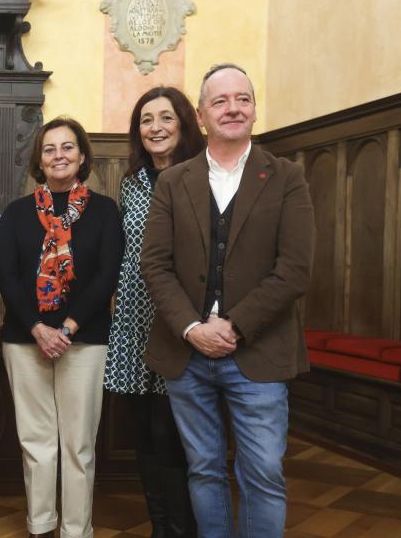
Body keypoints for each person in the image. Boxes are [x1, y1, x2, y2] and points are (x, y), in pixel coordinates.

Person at [140, 64, 314, 538]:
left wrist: (234, 327)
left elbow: (294, 270)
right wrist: (194, 328)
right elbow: (155, 265)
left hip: (259, 352)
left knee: (263, 475)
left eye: (242, 98)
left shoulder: (287, 177)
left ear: (255, 109)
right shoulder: (174, 181)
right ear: (200, 115)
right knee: (203, 471)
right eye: (220, 101)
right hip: (187, 354)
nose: (233, 108)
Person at [0, 115, 124, 538]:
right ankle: (41, 524)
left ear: (82, 156)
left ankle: (75, 529)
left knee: (78, 446)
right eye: (49, 149)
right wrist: (37, 327)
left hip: (84, 340)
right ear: (40, 160)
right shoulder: (17, 213)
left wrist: (65, 328)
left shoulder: (105, 212)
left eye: (67, 147)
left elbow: (107, 275)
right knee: (36, 442)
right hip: (24, 339)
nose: (59, 155)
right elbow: (6, 273)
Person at [105, 87, 205, 538]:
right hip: (132, 321)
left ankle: (182, 528)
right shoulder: (132, 183)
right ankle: (160, 526)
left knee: (172, 435)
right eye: (146, 120)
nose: (156, 127)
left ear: (184, 123)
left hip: (177, 323)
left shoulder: (202, 177)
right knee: (142, 434)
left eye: (166, 118)